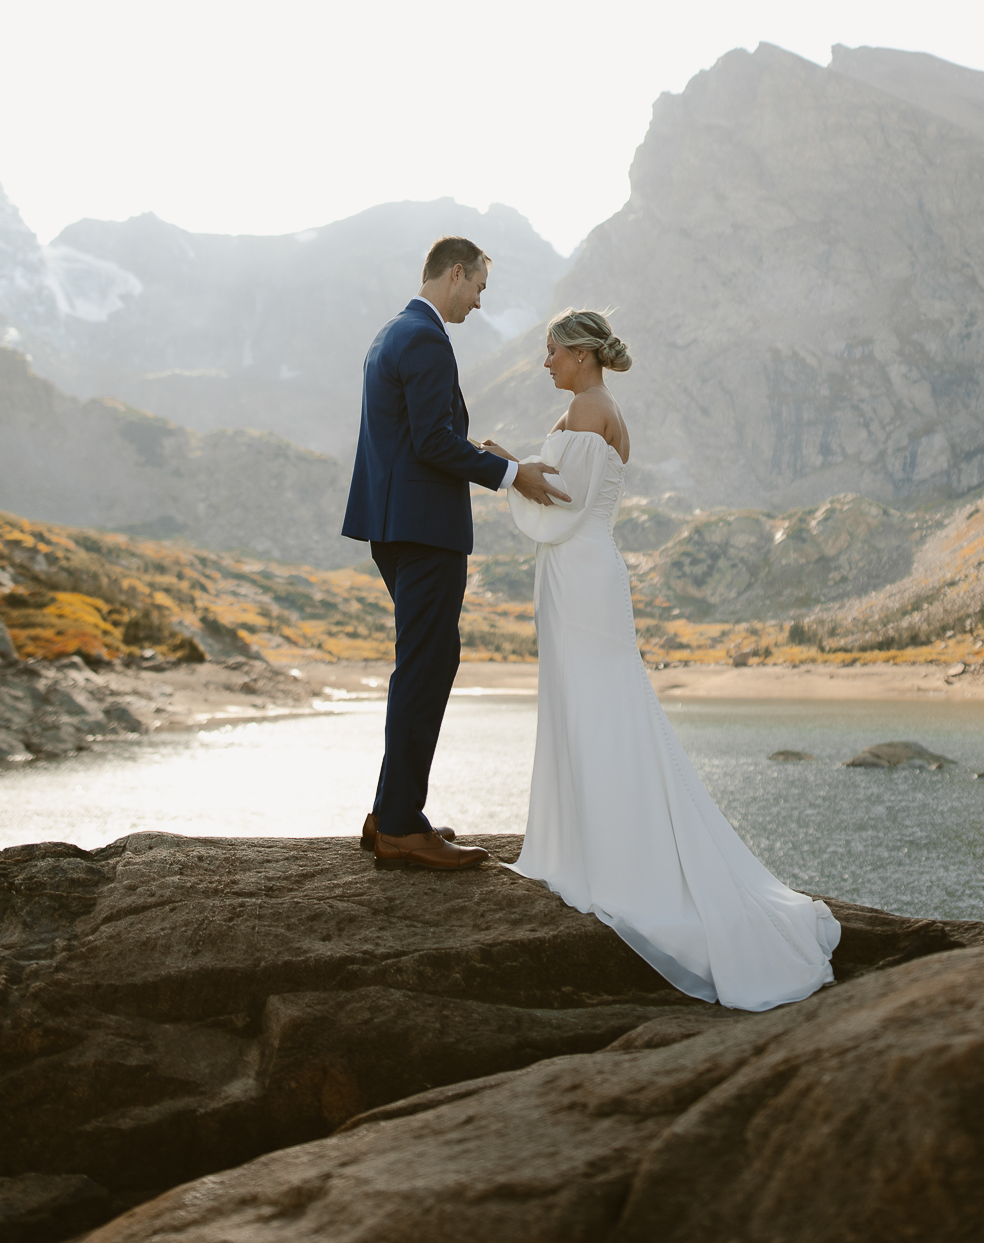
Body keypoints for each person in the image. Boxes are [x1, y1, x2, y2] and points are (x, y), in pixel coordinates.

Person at [492, 307, 841, 1010]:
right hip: (582, 571)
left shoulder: (589, 409)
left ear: (583, 353)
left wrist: (502, 465)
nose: (545, 362)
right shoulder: (594, 405)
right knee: (594, 706)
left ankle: (608, 858)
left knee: (599, 708)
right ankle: (595, 843)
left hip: (581, 570)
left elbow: (561, 504)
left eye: (552, 350)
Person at [342, 235, 565, 870]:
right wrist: (510, 473)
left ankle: (392, 811)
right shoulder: (426, 338)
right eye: (479, 290)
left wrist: (483, 453)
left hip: (393, 526)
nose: (478, 303)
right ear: (457, 274)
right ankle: (402, 825)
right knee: (427, 667)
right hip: (424, 530)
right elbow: (434, 442)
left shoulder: (391, 333)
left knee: (425, 662)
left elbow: (420, 437)